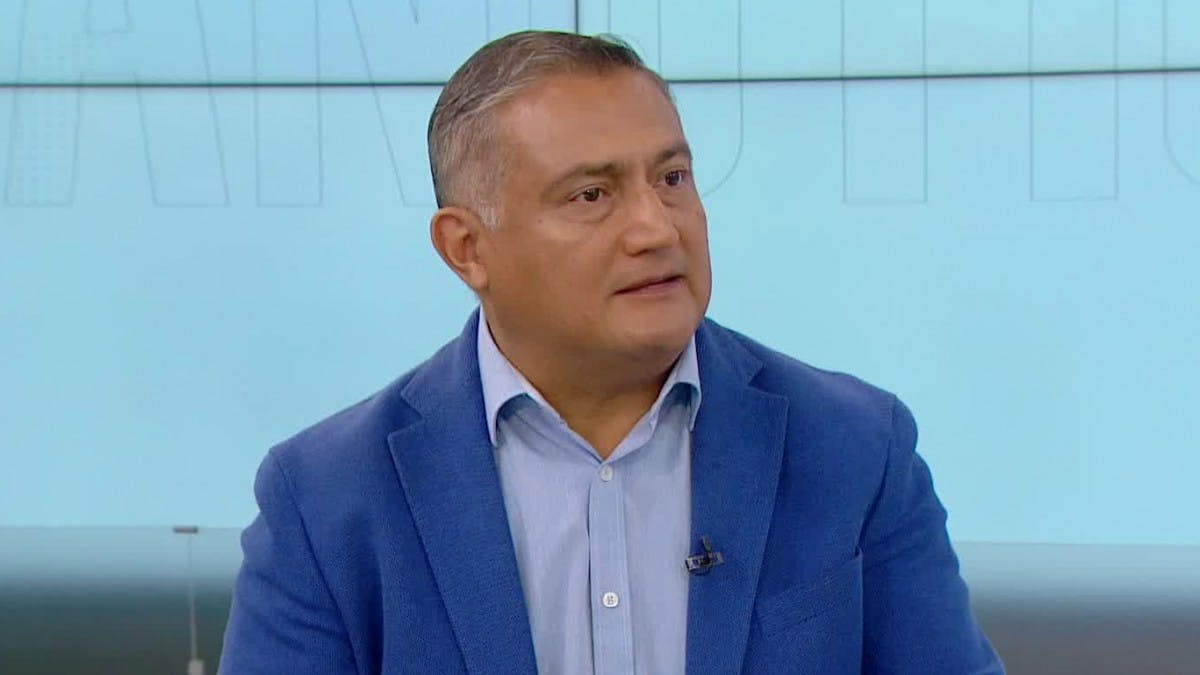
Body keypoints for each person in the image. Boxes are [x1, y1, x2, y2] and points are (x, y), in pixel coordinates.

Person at [221, 30, 1004, 674]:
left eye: (672, 177)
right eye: (591, 194)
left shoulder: (857, 449)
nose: (656, 228)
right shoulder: (325, 499)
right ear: (467, 248)